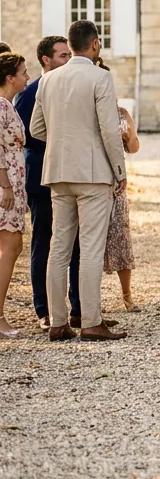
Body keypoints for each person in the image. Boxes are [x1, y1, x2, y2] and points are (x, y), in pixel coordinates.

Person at [31, 20, 128, 341]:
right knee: (89, 247)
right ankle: (91, 321)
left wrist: (62, 142)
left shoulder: (49, 79)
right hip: (93, 173)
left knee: (58, 246)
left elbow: (36, 129)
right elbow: (109, 129)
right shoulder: (101, 77)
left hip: (58, 171)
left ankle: (58, 322)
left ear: (70, 45)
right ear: (95, 44)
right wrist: (119, 170)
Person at [16, 36, 79, 330]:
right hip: (43, 175)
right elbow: (29, 136)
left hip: (73, 173)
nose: (68, 59)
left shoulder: (70, 86)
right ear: (46, 60)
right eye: (63, 55)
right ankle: (44, 309)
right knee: (45, 242)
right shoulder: (30, 94)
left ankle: (78, 307)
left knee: (78, 244)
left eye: (69, 54)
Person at [92, 58, 141, 312]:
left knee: (121, 238)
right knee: (92, 241)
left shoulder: (122, 113)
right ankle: (91, 299)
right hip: (95, 178)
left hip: (117, 182)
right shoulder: (88, 112)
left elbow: (133, 147)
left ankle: (127, 295)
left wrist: (128, 135)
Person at [0, 52, 32, 337]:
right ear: (10, 78)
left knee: (11, 248)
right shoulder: (1, 106)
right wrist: (7, 187)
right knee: (10, 249)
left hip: (12, 181)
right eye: (23, 72)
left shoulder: (8, 105)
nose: (27, 77)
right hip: (5, 184)